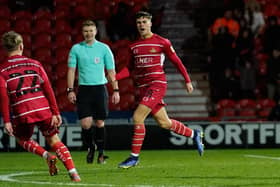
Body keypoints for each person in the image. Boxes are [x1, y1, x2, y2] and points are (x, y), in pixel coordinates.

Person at [116, 11, 204, 169]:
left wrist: (188, 80)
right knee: (164, 123)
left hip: (157, 84)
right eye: (139, 22)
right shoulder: (134, 46)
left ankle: (134, 157)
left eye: (144, 22)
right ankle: (194, 134)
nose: (141, 25)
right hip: (143, 88)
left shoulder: (162, 42)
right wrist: (115, 77)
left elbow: (177, 62)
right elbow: (129, 69)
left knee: (137, 117)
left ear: (150, 23)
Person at [0, 31, 81, 182]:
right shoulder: (35, 64)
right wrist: (55, 112)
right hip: (42, 108)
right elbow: (48, 89)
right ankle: (74, 173)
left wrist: (7, 120)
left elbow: (3, 97)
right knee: (54, 140)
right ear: (21, 46)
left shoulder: (2, 70)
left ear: (5, 49)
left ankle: (46, 155)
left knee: (22, 138)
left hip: (22, 111)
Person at [67, 20, 120, 164]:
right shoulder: (76, 49)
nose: (88, 33)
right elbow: (71, 71)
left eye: (91, 30)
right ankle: (90, 148)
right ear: (82, 32)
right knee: (85, 124)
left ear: (96, 31)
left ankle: (101, 153)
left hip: (100, 89)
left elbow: (111, 71)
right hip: (84, 89)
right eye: (86, 31)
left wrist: (116, 89)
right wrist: (70, 90)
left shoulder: (104, 48)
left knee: (99, 122)